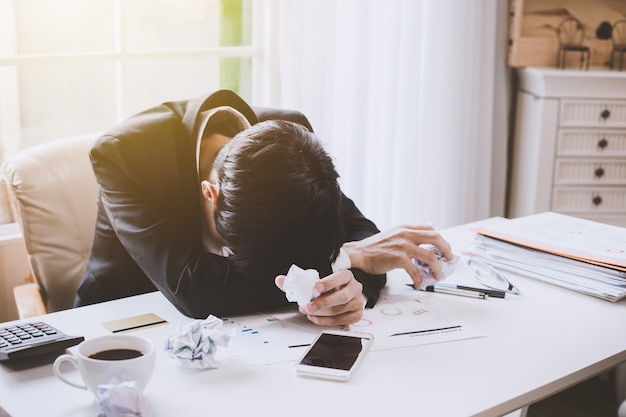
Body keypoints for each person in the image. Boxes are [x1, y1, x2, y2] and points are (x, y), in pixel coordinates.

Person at [75, 90, 452, 326]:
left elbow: (360, 241)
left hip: (255, 332)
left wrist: (348, 287)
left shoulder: (292, 141)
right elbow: (195, 290)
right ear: (211, 194)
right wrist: (341, 263)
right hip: (128, 323)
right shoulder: (127, 155)